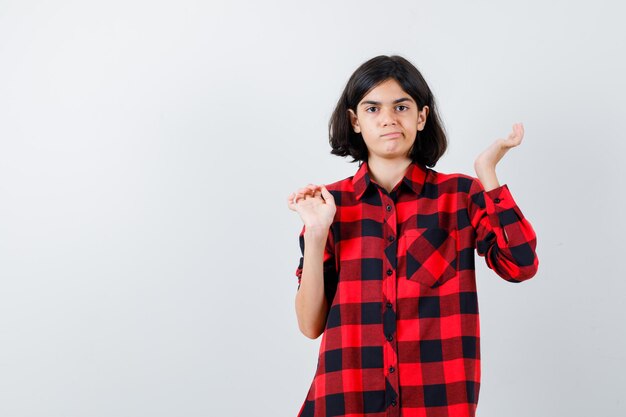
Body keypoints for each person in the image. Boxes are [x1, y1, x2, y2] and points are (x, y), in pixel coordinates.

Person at [286, 55, 539, 417]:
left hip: (437, 402)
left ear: (421, 117)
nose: (388, 118)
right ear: (355, 121)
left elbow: (521, 265)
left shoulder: (459, 196)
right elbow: (310, 325)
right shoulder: (328, 204)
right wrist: (316, 233)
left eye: (401, 106)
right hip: (345, 401)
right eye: (372, 108)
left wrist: (488, 175)